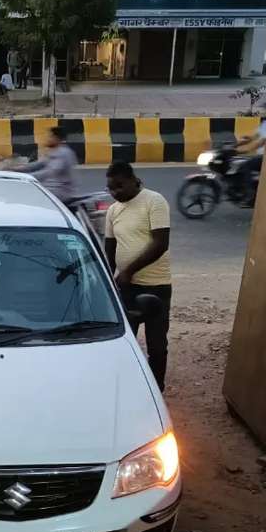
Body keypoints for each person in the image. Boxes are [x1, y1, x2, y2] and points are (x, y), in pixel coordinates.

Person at [104, 160, 171, 391]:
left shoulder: (154, 201)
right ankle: (126, 388)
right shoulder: (113, 211)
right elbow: (110, 249)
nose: (115, 192)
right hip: (126, 288)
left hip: (156, 286)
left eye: (120, 186)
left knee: (157, 345)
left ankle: (156, 390)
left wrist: (129, 271)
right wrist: (107, 280)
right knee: (125, 342)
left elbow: (161, 243)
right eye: (111, 188)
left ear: (134, 180)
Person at [235, 97, 266, 207]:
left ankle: (250, 195)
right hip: (261, 156)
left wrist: (244, 150)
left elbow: (261, 142)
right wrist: (236, 144)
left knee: (245, 166)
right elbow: (254, 137)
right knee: (237, 165)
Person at [17, 126, 77, 204]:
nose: (48, 139)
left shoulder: (63, 153)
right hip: (51, 189)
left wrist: (27, 177)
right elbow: (39, 164)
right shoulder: (55, 152)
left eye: (50, 137)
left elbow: (49, 172)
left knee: (26, 199)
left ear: (56, 138)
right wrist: (17, 169)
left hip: (60, 192)